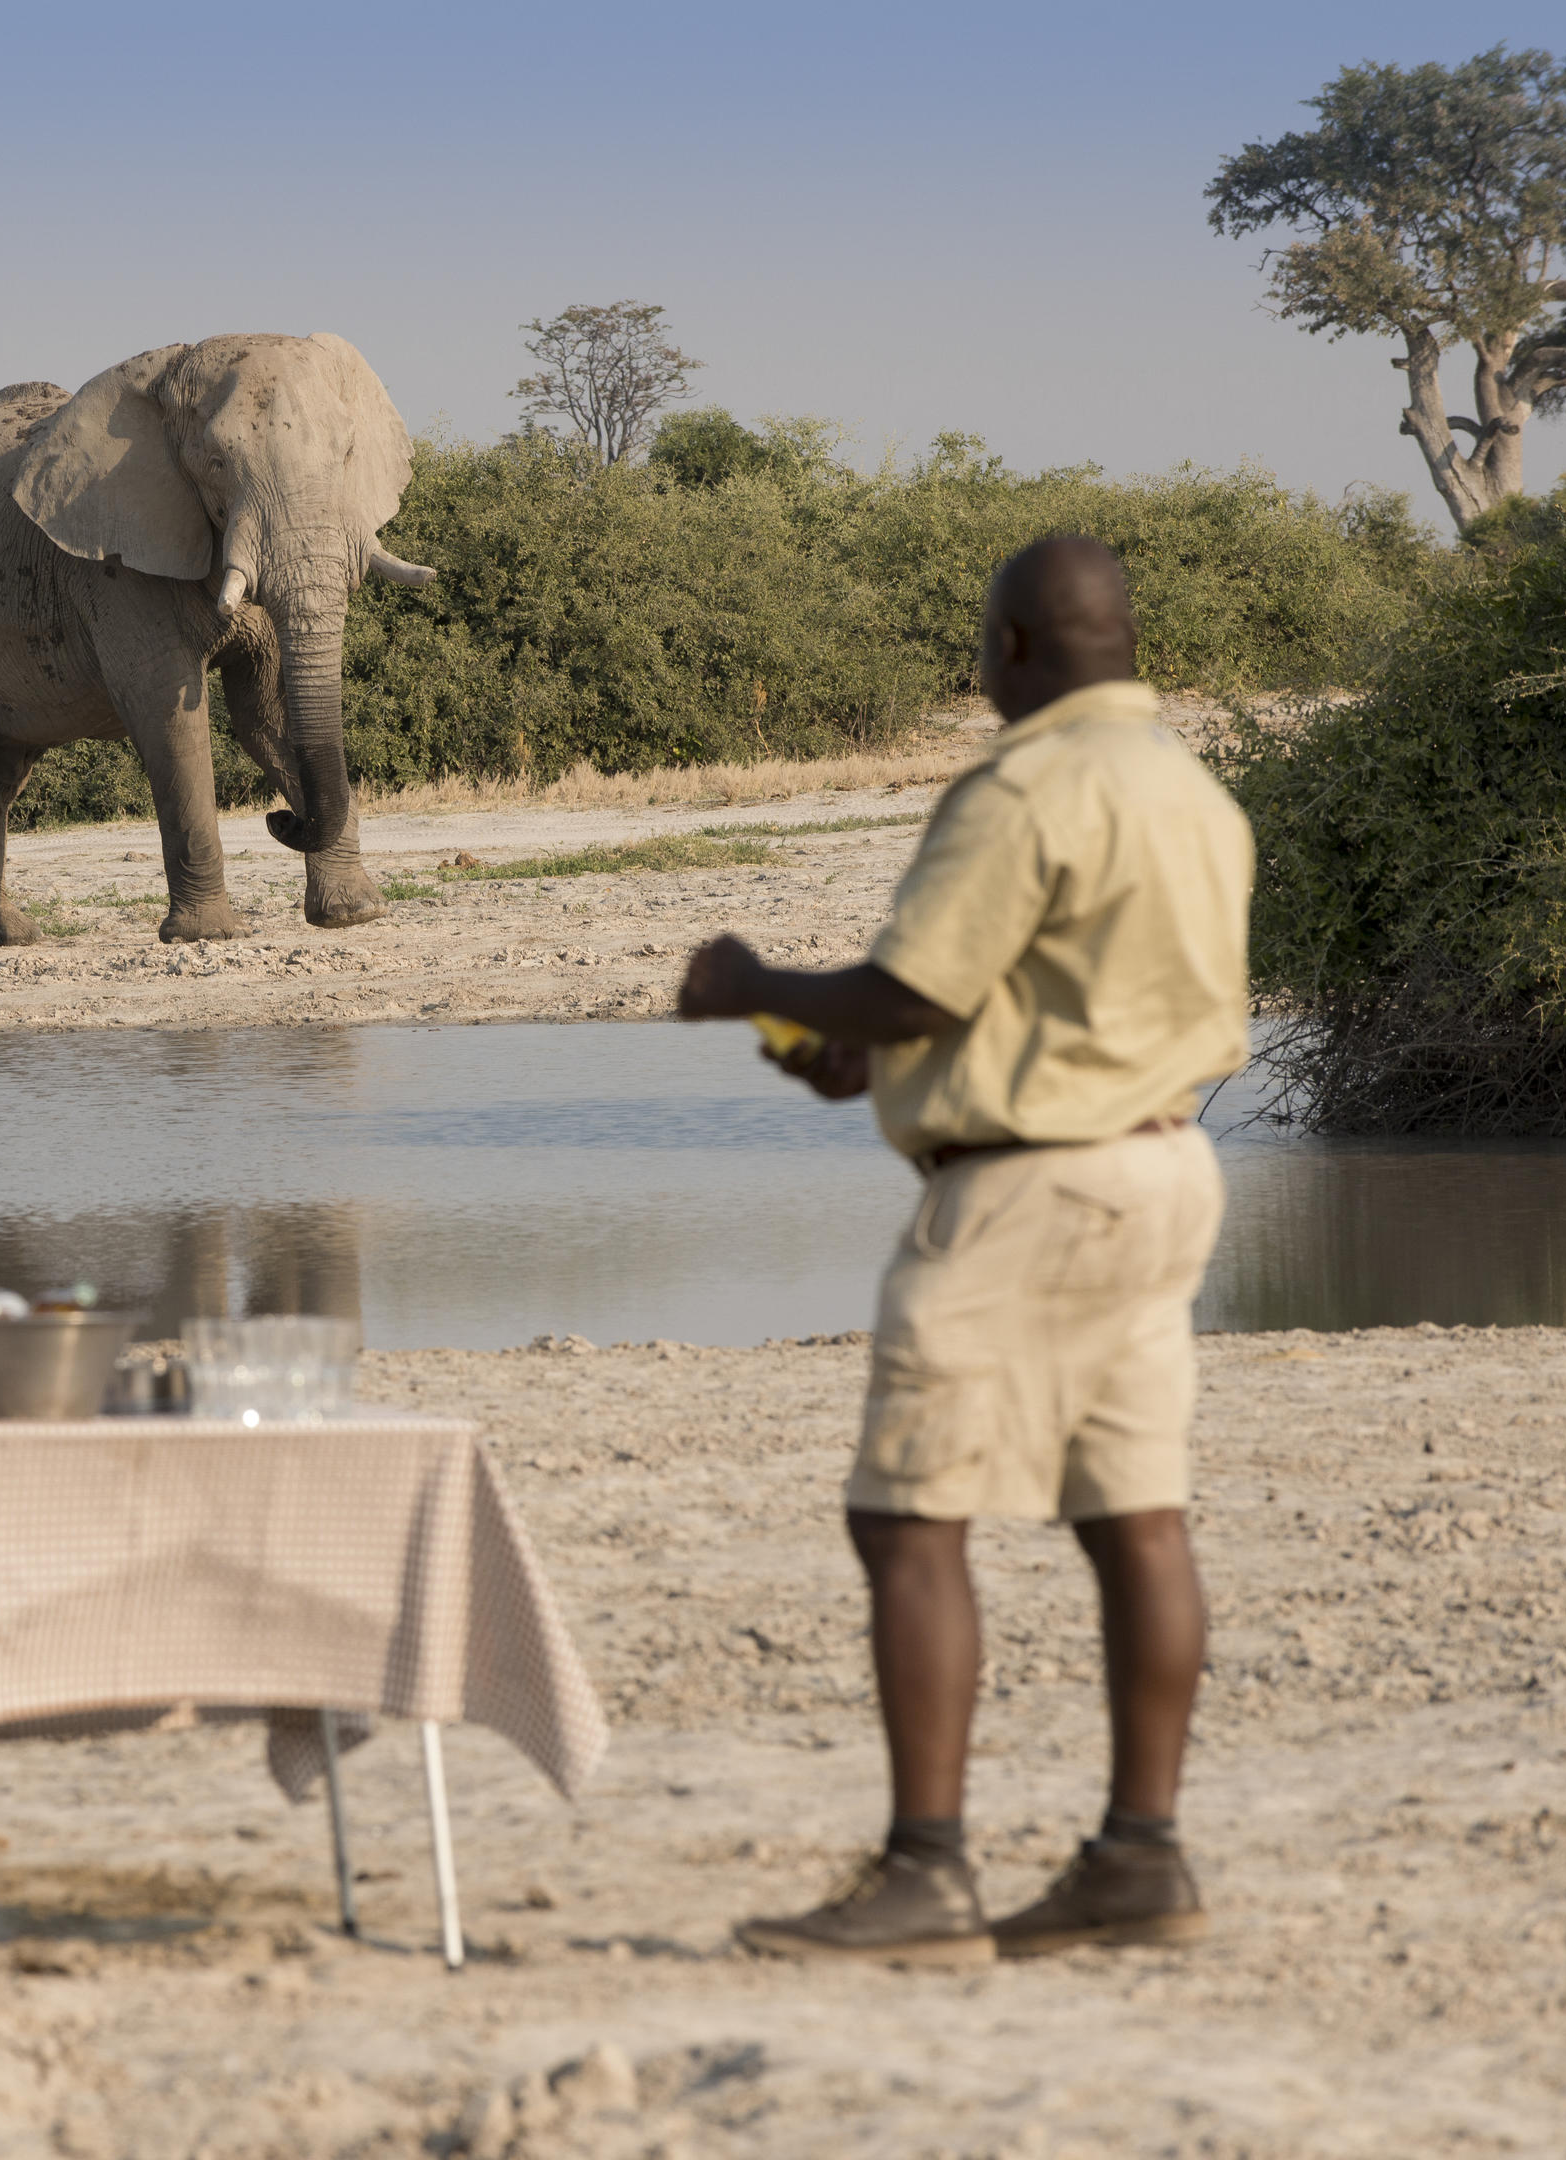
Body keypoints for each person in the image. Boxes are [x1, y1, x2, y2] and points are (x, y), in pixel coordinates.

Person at [678, 535, 1252, 1966]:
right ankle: (1142, 1856)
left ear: (1006, 647)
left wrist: (748, 985)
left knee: (908, 1516)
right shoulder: (1195, 791)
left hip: (1024, 1197)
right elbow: (1035, 1001)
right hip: (1165, 1172)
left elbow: (911, 988)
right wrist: (849, 1055)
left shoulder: (1025, 785)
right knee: (1137, 1511)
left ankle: (927, 1870)